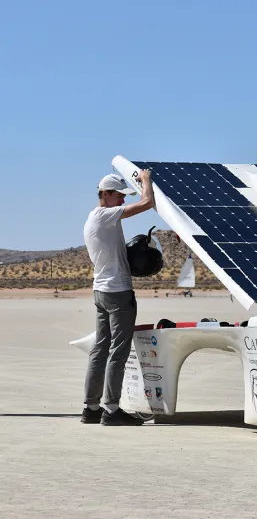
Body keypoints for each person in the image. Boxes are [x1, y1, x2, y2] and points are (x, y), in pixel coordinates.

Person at [81, 171, 155, 425]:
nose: (123, 201)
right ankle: (111, 410)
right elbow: (147, 204)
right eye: (120, 196)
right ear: (106, 194)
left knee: (100, 349)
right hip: (117, 292)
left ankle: (90, 408)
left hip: (101, 290)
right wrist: (146, 179)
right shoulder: (105, 214)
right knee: (118, 352)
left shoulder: (93, 217)